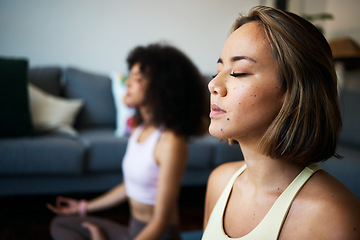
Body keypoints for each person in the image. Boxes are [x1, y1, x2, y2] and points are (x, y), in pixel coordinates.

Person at [202, 6, 360, 240]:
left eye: (238, 72)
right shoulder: (219, 181)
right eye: (219, 69)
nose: (213, 84)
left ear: (294, 91)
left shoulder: (333, 215)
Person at [47, 43, 208, 240]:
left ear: (161, 88)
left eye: (137, 79)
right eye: (129, 76)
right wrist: (83, 206)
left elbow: (160, 221)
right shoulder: (139, 131)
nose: (128, 83)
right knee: (61, 224)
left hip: (159, 235)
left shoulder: (171, 142)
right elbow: (129, 186)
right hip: (134, 232)